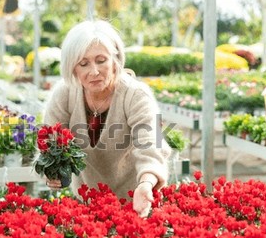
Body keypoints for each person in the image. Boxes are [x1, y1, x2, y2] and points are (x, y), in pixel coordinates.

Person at [43, 20, 171, 217]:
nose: (94, 71)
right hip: (85, 200)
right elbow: (50, 140)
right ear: (73, 68)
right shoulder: (65, 94)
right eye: (83, 64)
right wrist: (53, 170)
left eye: (101, 60)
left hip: (134, 201)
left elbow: (150, 146)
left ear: (115, 60)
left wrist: (146, 183)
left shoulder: (135, 95)